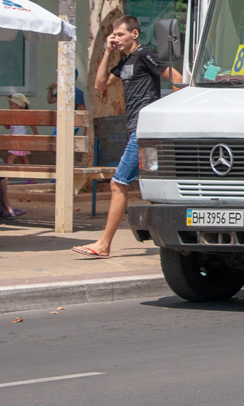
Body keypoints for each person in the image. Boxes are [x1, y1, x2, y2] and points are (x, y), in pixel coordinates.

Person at [73, 15, 181, 258]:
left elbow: (175, 77)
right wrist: (107, 52)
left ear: (134, 34)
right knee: (139, 185)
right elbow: (100, 85)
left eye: (120, 34)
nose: (116, 38)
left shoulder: (144, 54)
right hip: (133, 127)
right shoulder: (125, 61)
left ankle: (103, 244)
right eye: (113, 34)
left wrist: (174, 111)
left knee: (118, 183)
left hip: (144, 129)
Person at [0, 92, 36, 219]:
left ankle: (5, 179)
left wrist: (35, 135)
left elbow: (32, 125)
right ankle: (32, 177)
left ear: (19, 105)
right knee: (24, 159)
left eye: (12, 104)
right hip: (16, 141)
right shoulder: (12, 115)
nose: (10, 106)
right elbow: (8, 126)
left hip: (19, 141)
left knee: (10, 160)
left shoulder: (23, 115)